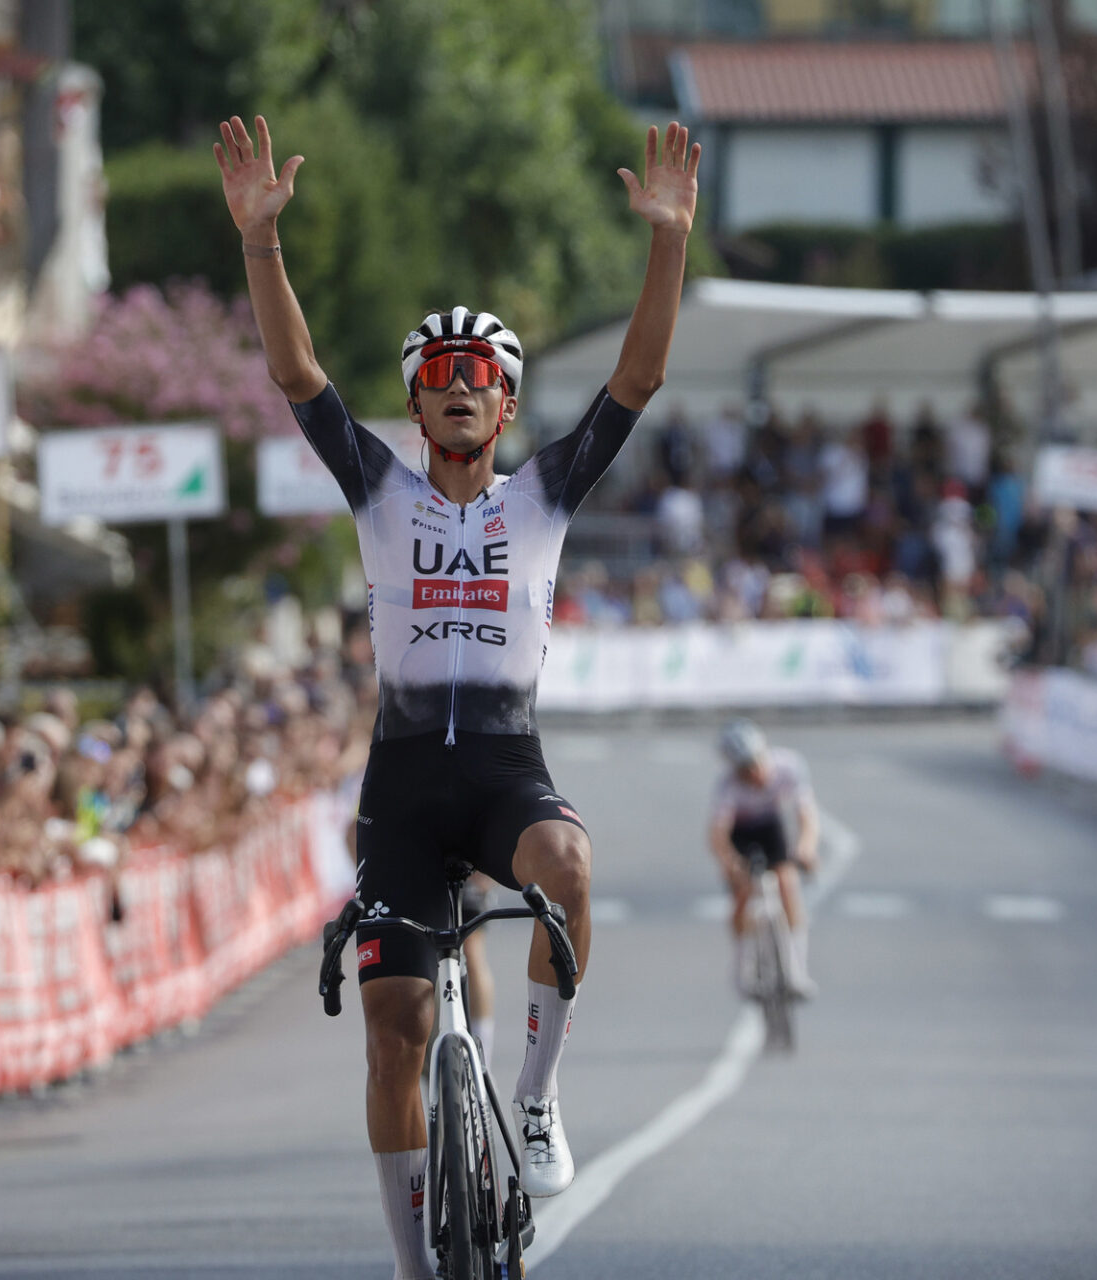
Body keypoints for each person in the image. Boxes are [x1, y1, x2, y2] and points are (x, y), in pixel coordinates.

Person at [216, 112, 698, 1274]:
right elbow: (296, 374)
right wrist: (261, 244)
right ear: (419, 405)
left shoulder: (545, 494)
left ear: (506, 404)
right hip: (404, 786)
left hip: (502, 765)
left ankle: (534, 1100)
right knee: (394, 1036)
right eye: (438, 378)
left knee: (570, 869)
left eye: (481, 376)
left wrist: (669, 242)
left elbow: (639, 376)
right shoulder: (380, 489)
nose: (460, 390)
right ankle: (413, 1263)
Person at [708, 718, 820, 999]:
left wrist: (806, 848)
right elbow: (718, 835)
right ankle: (742, 968)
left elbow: (806, 815)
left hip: (771, 826)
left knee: (787, 884)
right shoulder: (728, 786)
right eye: (746, 770)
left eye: (757, 763)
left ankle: (796, 970)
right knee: (743, 893)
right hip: (741, 832)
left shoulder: (789, 766)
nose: (755, 773)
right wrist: (730, 863)